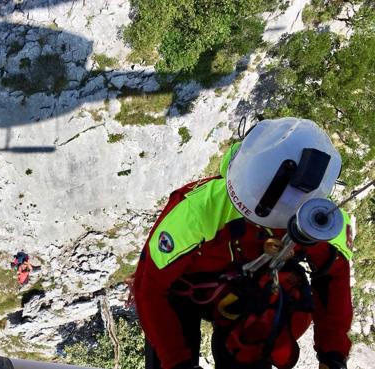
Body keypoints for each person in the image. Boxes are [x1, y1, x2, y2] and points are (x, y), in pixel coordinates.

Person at [132, 118, 353, 369]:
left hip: (250, 297)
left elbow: (333, 281)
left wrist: (332, 355)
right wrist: (176, 361)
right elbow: (151, 287)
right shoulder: (196, 209)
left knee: (251, 348)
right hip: (184, 292)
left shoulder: (320, 221)